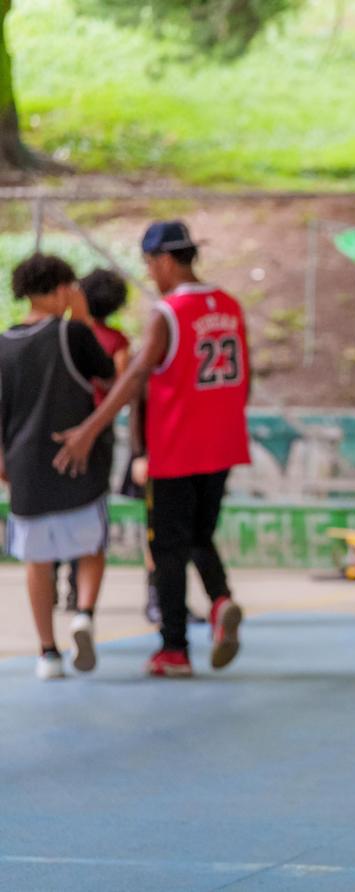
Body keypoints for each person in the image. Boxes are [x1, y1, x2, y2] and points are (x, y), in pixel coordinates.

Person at [53, 220, 250, 679]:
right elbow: (247, 378)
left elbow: (136, 377)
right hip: (222, 443)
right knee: (200, 535)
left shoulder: (168, 312)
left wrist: (90, 427)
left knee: (167, 549)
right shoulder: (230, 305)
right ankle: (220, 600)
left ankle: (174, 648)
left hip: (176, 449)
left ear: (163, 260)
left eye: (149, 264)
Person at [0, 254, 115, 680]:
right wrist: (83, 319)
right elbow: (105, 373)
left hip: (23, 464)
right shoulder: (70, 334)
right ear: (65, 288)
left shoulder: (3, 343)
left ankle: (47, 652)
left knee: (37, 560)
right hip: (76, 458)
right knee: (91, 546)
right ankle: (83, 613)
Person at [50, 268, 132, 613]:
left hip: (63, 430)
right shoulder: (116, 341)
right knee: (88, 511)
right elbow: (121, 387)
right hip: (97, 435)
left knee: (53, 507)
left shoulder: (64, 334)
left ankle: (49, 572)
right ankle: (76, 590)